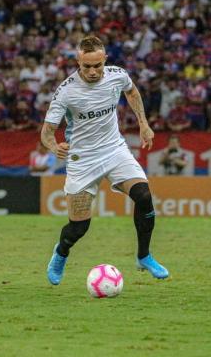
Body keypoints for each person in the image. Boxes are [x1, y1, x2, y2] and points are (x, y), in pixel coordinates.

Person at [41, 35, 169, 286]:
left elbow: (132, 92)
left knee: (143, 195)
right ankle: (60, 253)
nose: (92, 71)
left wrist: (144, 124)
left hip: (114, 149)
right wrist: (54, 146)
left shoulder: (117, 75)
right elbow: (46, 131)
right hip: (82, 159)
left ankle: (144, 256)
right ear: (78, 62)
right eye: (86, 66)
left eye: (97, 65)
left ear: (104, 60)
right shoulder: (66, 91)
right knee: (79, 228)